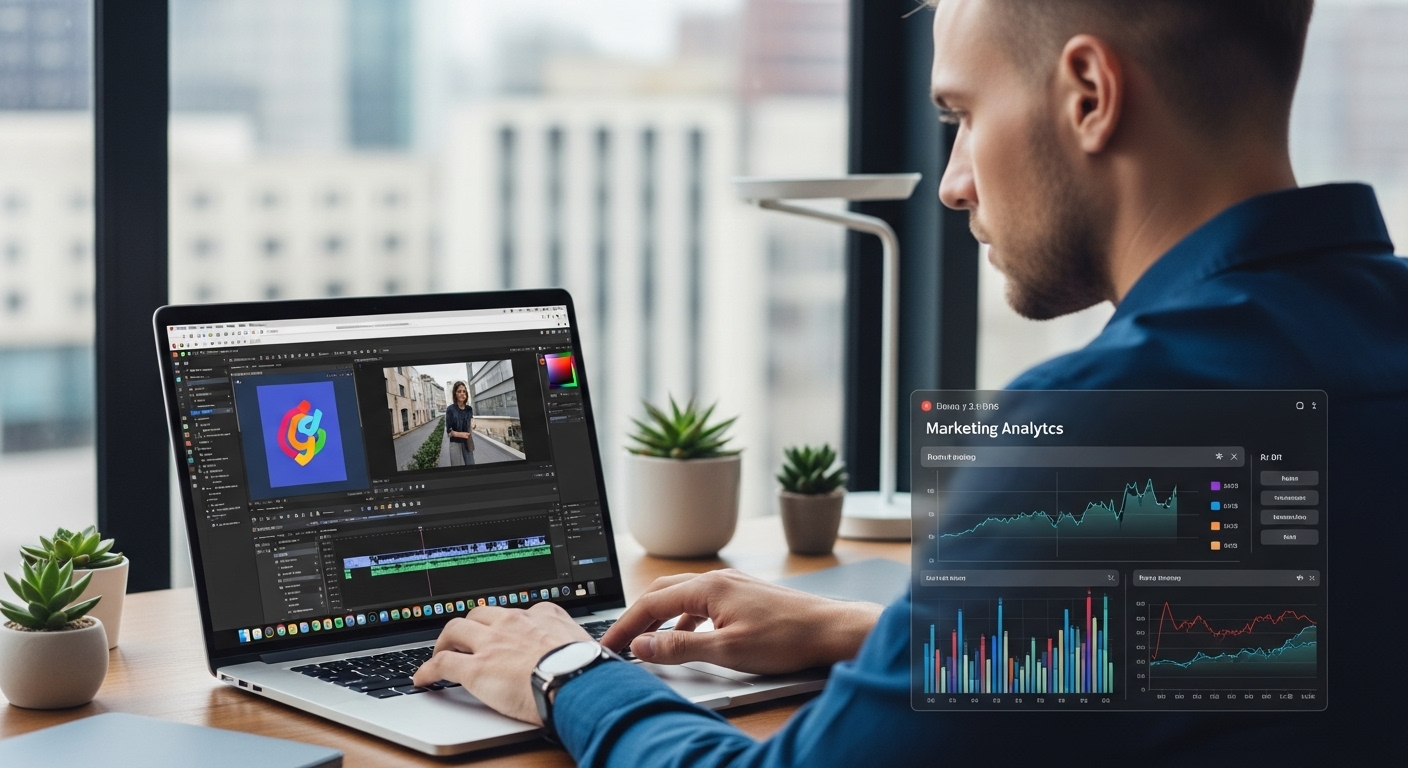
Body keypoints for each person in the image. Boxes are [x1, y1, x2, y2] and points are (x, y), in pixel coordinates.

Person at [413, 1, 1408, 764]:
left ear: (1089, 96)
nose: (951, 181)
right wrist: (878, 636)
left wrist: (563, 667)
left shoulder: (1102, 437)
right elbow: (1273, 642)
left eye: (962, 115)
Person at [445, 381, 476, 466]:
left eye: (464, 391)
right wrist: (461, 434)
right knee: (457, 467)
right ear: (455, 394)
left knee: (471, 465)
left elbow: (471, 424)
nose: (462, 394)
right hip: (455, 442)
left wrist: (474, 425)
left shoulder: (469, 409)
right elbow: (449, 431)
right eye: (459, 391)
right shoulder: (450, 409)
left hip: (467, 442)